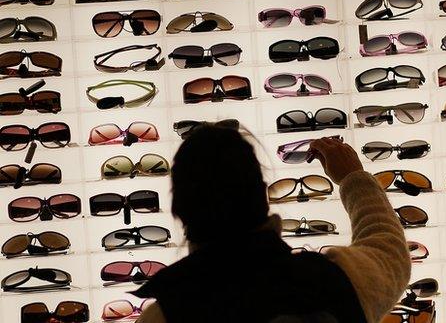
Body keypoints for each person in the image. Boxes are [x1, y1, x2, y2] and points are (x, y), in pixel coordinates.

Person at [134, 125, 410, 323]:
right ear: (264, 195)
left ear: (179, 211)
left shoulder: (165, 314)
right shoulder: (332, 280)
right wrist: (352, 176)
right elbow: (389, 250)